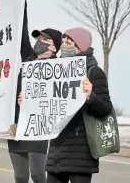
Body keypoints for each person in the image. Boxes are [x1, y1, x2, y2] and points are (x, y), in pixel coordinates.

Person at [8, 0, 63, 183]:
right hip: (18, 125)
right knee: (20, 176)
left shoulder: (59, 69)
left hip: (38, 127)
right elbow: (22, 27)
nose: (39, 41)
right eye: (38, 38)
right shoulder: (29, 58)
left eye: (44, 39)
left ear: (54, 47)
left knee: (38, 175)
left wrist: (32, 101)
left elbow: (58, 99)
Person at [45, 27, 113, 183]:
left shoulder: (93, 72)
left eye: (69, 42)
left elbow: (105, 109)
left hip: (80, 153)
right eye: (63, 42)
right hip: (57, 151)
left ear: (81, 46)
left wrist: (91, 96)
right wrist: (28, 102)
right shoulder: (56, 70)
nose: (64, 46)